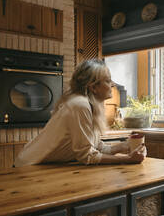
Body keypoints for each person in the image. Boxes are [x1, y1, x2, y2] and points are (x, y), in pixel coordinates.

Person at [14, 59, 147, 167]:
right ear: (93, 87)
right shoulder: (80, 105)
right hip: (29, 167)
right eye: (107, 80)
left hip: (43, 166)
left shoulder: (88, 105)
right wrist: (127, 159)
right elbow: (87, 156)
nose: (112, 84)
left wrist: (124, 147)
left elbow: (95, 147)